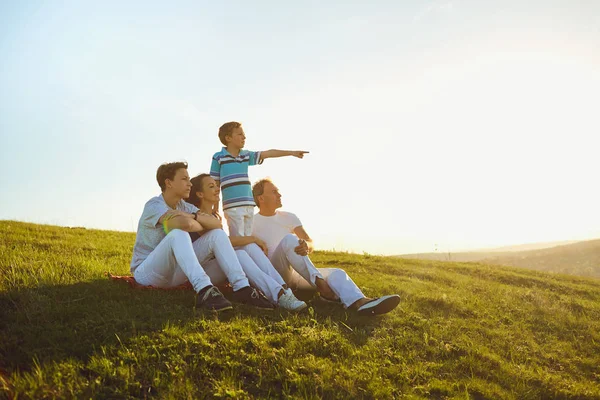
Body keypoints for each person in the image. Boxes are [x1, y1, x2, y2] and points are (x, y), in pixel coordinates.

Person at [130, 161, 274, 313]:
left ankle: (242, 288)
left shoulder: (184, 207)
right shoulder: (154, 205)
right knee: (178, 234)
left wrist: (192, 216)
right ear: (169, 183)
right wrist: (197, 221)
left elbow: (216, 224)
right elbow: (184, 225)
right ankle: (204, 289)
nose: (190, 184)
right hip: (147, 273)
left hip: (174, 275)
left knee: (217, 235)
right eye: (184, 179)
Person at [251, 179, 401, 316]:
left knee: (337, 273)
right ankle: (322, 287)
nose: (280, 194)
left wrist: (306, 246)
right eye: (274, 192)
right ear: (261, 198)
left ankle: (361, 302)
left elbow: (309, 241)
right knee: (290, 239)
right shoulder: (251, 222)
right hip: (274, 274)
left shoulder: (289, 216)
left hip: (296, 275)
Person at [186, 173, 307, 312]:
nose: (217, 189)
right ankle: (277, 294)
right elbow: (222, 241)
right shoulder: (197, 216)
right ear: (200, 194)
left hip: (216, 266)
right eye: (211, 186)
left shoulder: (214, 216)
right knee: (242, 251)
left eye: (216, 185)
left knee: (247, 249)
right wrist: (253, 238)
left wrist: (251, 241)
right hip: (200, 271)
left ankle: (283, 291)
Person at [210, 121, 308, 237]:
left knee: (247, 239)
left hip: (249, 205)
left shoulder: (246, 155)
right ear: (228, 138)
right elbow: (214, 184)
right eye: (240, 134)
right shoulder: (218, 157)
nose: (244, 137)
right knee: (238, 240)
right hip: (232, 207)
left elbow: (269, 153)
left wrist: (291, 153)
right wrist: (215, 208)